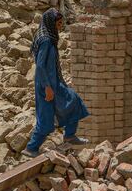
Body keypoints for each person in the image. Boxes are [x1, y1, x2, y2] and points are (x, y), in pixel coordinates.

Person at [23, 9, 90, 158]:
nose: (60, 26)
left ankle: (70, 135)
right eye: (58, 23)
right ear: (51, 23)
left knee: (74, 100)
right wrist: (47, 88)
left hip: (54, 82)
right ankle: (31, 148)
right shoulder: (46, 40)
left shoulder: (48, 36)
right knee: (46, 119)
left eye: (61, 23)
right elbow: (40, 66)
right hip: (46, 84)